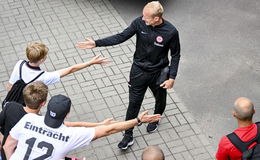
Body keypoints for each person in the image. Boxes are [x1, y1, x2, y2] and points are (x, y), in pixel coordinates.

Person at [76, 1, 181, 150]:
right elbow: (120, 37)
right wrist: (96, 43)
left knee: (160, 98)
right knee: (133, 103)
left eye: (146, 17)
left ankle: (156, 118)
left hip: (158, 72)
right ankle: (128, 134)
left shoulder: (170, 32)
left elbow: (176, 55)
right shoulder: (139, 23)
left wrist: (172, 78)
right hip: (138, 71)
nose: (142, 19)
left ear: (156, 18)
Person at [3, 94, 161, 160]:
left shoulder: (28, 119)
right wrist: (138, 120)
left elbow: (9, 146)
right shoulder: (70, 135)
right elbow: (109, 130)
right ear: (66, 115)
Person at [7, 42, 109, 91]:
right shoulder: (43, 77)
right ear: (42, 59)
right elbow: (71, 69)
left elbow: (10, 86)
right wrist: (90, 62)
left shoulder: (19, 64)